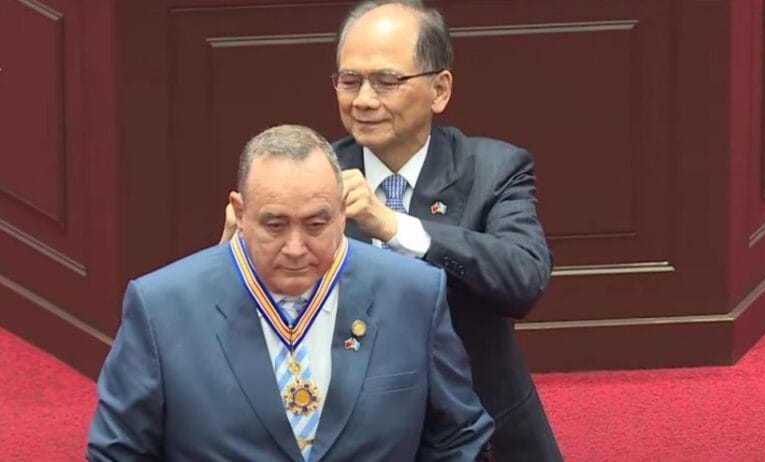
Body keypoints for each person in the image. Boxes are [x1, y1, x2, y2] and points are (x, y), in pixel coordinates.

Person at [222, 1, 560, 459]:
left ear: (439, 89)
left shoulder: (494, 168)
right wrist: (232, 260)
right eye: (350, 81)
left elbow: (523, 279)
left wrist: (393, 226)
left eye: (386, 81)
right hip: (348, 436)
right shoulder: (310, 182)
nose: (363, 100)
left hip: (481, 430)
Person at [87, 125, 494, 461]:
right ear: (240, 214)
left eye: (316, 225)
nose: (296, 248)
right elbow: (118, 453)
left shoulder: (414, 294)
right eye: (275, 226)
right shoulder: (161, 307)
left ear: (343, 212)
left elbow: (458, 439)